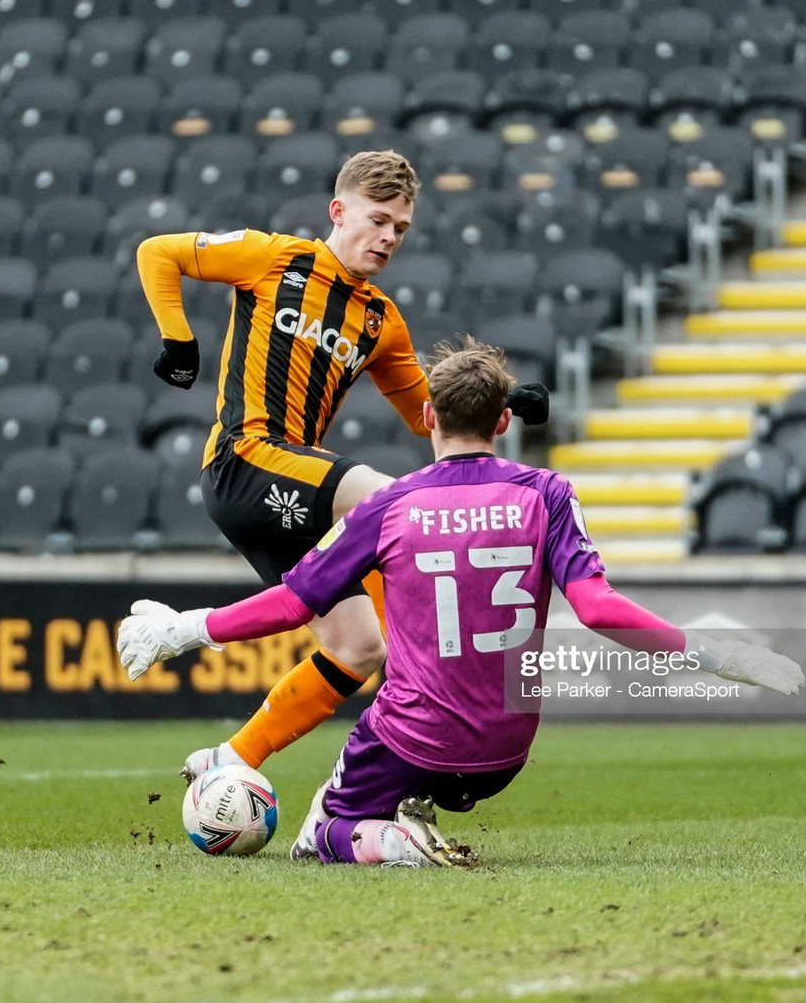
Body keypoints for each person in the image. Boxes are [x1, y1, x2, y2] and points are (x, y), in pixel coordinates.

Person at [117, 339, 805, 868]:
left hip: (410, 737)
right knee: (439, 766)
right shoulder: (549, 493)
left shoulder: (391, 505)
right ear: (504, 419)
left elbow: (295, 603)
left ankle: (394, 839)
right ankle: (417, 811)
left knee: (318, 836)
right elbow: (599, 610)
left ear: (426, 416)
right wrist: (722, 655)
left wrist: (188, 627)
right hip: (505, 751)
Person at [136, 150, 550, 782]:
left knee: (359, 648)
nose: (388, 237)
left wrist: (501, 397)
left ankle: (230, 760)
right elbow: (157, 252)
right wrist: (177, 339)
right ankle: (435, 683)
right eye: (378, 220)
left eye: (401, 229)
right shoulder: (274, 258)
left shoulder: (381, 320)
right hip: (245, 459)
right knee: (399, 503)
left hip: (294, 490)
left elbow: (425, 414)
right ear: (338, 211)